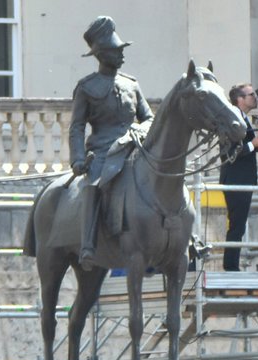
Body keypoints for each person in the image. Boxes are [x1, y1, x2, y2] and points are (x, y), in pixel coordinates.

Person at [69, 15, 153, 266]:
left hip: (133, 146)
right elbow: (77, 127)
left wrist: (140, 131)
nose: (122, 55)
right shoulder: (86, 87)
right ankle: (87, 244)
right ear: (102, 54)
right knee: (93, 185)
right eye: (117, 51)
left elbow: (148, 117)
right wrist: (78, 158)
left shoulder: (131, 84)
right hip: (103, 151)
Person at [220, 83, 258, 271]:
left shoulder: (242, 118)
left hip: (241, 179)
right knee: (236, 225)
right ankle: (230, 267)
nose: (255, 98)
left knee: (238, 225)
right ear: (240, 99)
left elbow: (245, 146)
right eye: (251, 95)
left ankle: (231, 265)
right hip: (235, 179)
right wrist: (253, 144)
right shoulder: (232, 120)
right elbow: (229, 152)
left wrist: (256, 143)